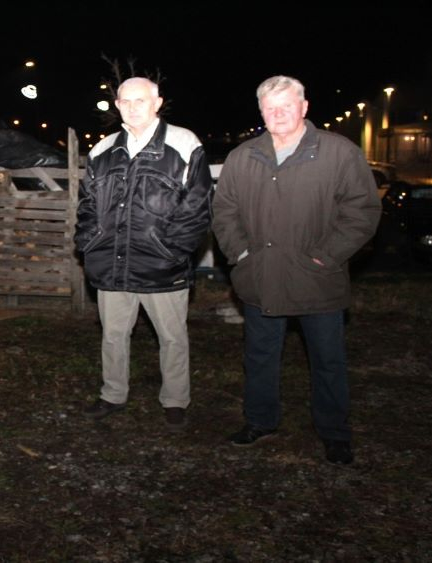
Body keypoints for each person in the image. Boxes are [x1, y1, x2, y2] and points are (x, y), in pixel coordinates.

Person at [211, 75, 381, 465]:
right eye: (270, 108)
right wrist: (241, 253)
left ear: (304, 107)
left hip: (317, 278)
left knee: (327, 361)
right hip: (261, 278)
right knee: (259, 357)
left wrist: (328, 255)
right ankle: (260, 420)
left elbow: (362, 211)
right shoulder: (243, 156)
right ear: (261, 112)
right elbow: (224, 212)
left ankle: (334, 432)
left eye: (286, 105)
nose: (278, 114)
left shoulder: (338, 152)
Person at [74, 77, 213, 431]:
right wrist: (88, 243)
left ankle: (175, 399)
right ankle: (113, 394)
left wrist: (171, 250)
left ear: (157, 102)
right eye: (126, 100)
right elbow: (88, 205)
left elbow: (197, 208)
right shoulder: (102, 149)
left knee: (172, 337)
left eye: (141, 100)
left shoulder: (184, 144)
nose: (133, 106)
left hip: (161, 265)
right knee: (113, 334)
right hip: (111, 264)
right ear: (117, 105)